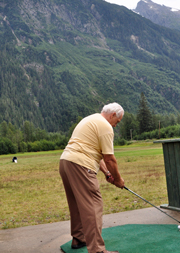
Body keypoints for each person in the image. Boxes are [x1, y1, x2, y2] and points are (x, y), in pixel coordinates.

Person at [59, 102, 125, 253]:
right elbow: (109, 159)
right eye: (117, 121)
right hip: (81, 165)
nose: (116, 125)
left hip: (65, 162)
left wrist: (107, 174)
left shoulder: (90, 119)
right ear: (113, 115)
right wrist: (119, 180)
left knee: (76, 203)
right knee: (94, 206)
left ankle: (79, 238)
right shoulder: (106, 127)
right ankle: (97, 250)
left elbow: (97, 155)